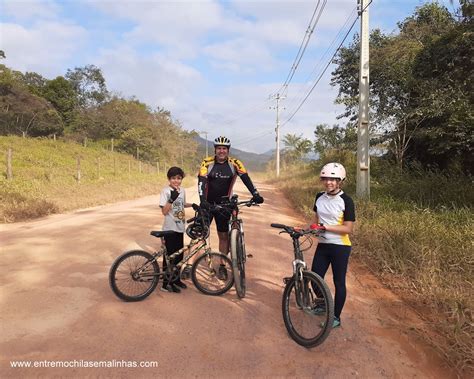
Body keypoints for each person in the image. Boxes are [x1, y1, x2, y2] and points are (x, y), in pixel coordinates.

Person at [197, 136, 264, 278]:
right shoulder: (206, 162)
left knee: (223, 236)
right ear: (215, 150)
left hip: (225, 205)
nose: (221, 151)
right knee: (200, 234)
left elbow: (246, 179)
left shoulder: (235, 164)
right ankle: (190, 265)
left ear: (228, 150)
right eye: (219, 148)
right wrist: (202, 200)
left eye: (224, 149)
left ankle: (222, 265)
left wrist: (255, 193)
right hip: (207, 204)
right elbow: (201, 182)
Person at [310, 162, 355, 328]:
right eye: (326, 178)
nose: (329, 182)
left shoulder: (346, 201)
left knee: (339, 282)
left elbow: (348, 229)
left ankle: (335, 317)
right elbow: (315, 219)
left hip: (340, 247)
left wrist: (325, 227)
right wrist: (310, 229)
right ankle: (322, 304)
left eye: (333, 179)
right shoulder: (319, 197)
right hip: (323, 245)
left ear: (340, 181)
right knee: (315, 277)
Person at [159, 166, 193, 293]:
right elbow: (164, 211)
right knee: (169, 257)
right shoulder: (166, 191)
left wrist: (193, 205)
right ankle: (166, 284)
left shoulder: (182, 190)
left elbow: (182, 204)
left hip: (179, 228)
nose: (176, 181)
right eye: (173, 178)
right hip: (169, 228)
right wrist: (171, 199)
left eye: (179, 178)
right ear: (169, 179)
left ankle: (176, 280)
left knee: (179, 256)